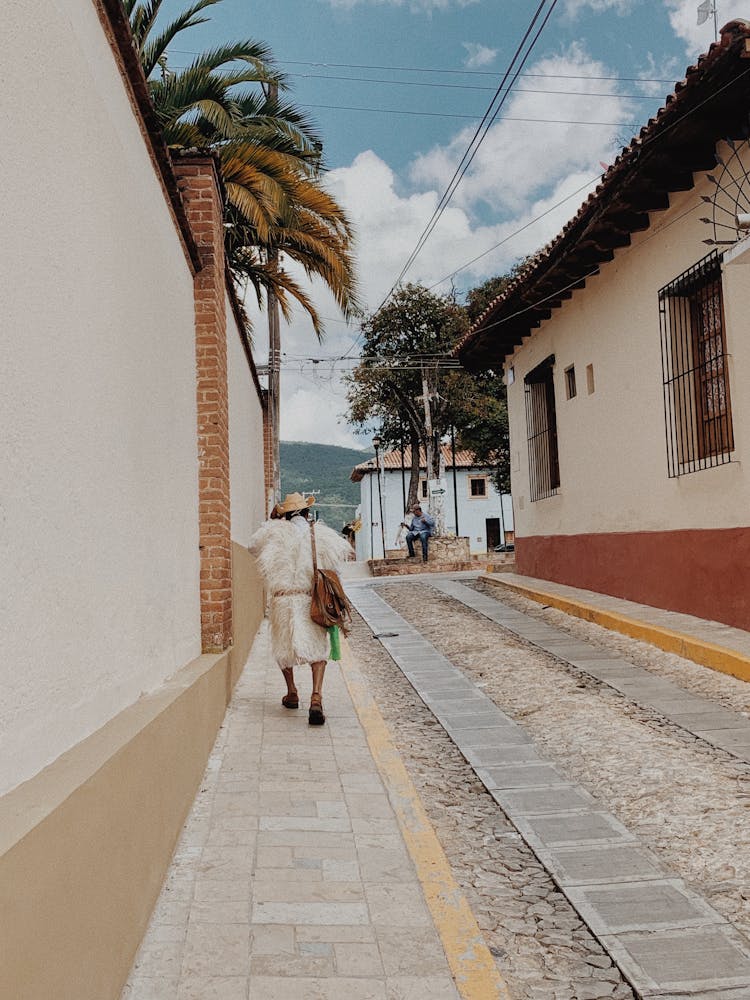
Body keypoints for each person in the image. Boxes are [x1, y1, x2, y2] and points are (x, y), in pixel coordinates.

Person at [248, 493, 352, 725]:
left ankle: (292, 692)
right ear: (307, 513)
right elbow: (339, 561)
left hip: (282, 600)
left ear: (283, 515)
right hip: (310, 599)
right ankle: (316, 696)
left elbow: (251, 546)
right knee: (317, 649)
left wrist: (272, 520)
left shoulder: (273, 532)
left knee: (283, 647)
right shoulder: (321, 534)